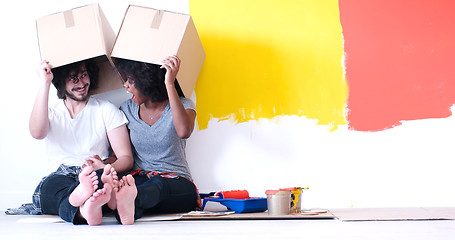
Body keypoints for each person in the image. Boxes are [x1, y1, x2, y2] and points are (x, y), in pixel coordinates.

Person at [17, 59, 135, 225]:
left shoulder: (106, 110)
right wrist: (45, 83)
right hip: (61, 176)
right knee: (47, 191)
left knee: (102, 184)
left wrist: (105, 167)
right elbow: (37, 133)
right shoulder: (51, 113)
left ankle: (89, 205)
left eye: (84, 75)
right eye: (73, 78)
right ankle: (94, 205)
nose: (82, 83)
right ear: (61, 83)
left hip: (95, 174)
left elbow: (126, 157)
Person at [113, 55, 199, 222]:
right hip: (140, 179)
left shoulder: (184, 105)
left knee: (158, 186)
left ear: (147, 83)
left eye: (131, 81)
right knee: (130, 185)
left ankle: (128, 202)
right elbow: (119, 154)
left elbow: (183, 131)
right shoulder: (126, 109)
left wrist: (169, 83)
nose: (125, 86)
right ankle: (128, 207)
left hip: (175, 182)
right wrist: (103, 167)